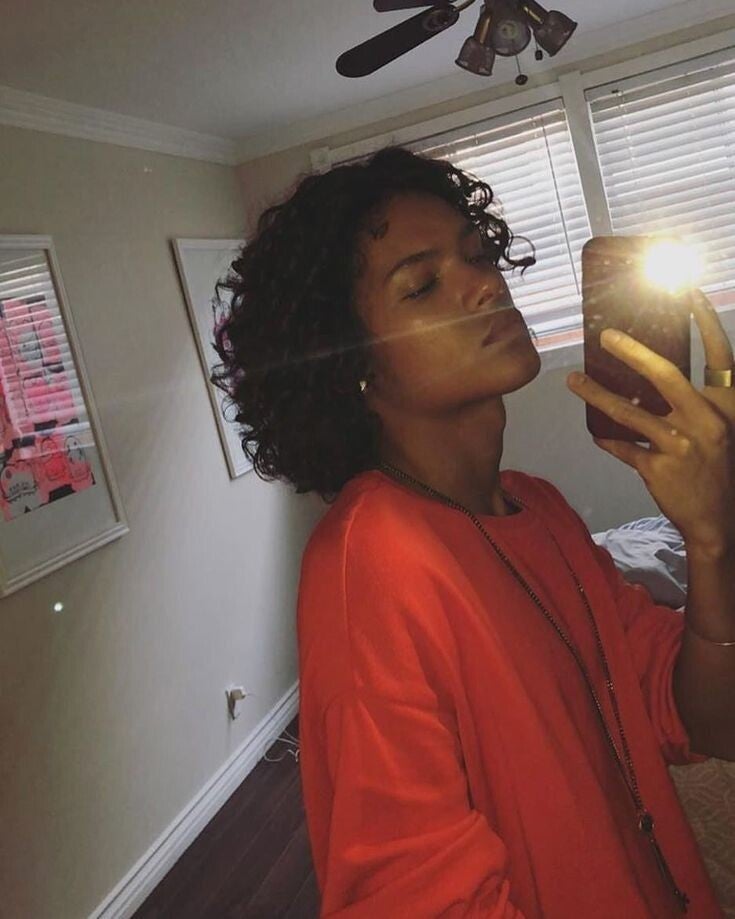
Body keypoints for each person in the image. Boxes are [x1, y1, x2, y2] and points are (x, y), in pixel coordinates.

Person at [212, 146, 735, 917]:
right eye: (422, 284)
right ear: (350, 364)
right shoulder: (370, 562)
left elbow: (703, 717)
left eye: (478, 255)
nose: (487, 284)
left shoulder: (537, 509)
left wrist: (712, 536)